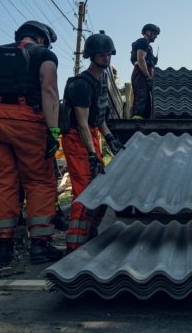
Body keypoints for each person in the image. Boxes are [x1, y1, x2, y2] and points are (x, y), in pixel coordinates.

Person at [0, 20, 63, 266]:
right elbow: (50, 91)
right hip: (29, 122)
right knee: (39, 181)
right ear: (42, 39)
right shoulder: (44, 55)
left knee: (2, 181)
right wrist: (53, 131)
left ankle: (3, 247)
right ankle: (39, 246)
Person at [62, 33, 125, 253]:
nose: (106, 58)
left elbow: (99, 120)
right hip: (76, 139)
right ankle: (74, 245)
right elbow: (81, 124)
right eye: (102, 54)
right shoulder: (81, 84)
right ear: (92, 56)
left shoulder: (101, 82)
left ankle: (89, 236)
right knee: (85, 191)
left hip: (91, 136)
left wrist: (110, 141)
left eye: (109, 54)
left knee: (100, 189)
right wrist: (91, 155)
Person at [130, 23, 160, 119]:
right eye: (154, 33)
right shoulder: (143, 42)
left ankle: (144, 119)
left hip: (145, 72)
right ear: (147, 32)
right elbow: (141, 60)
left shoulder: (147, 46)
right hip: (141, 72)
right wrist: (148, 76)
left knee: (147, 100)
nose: (155, 36)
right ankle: (137, 120)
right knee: (141, 96)